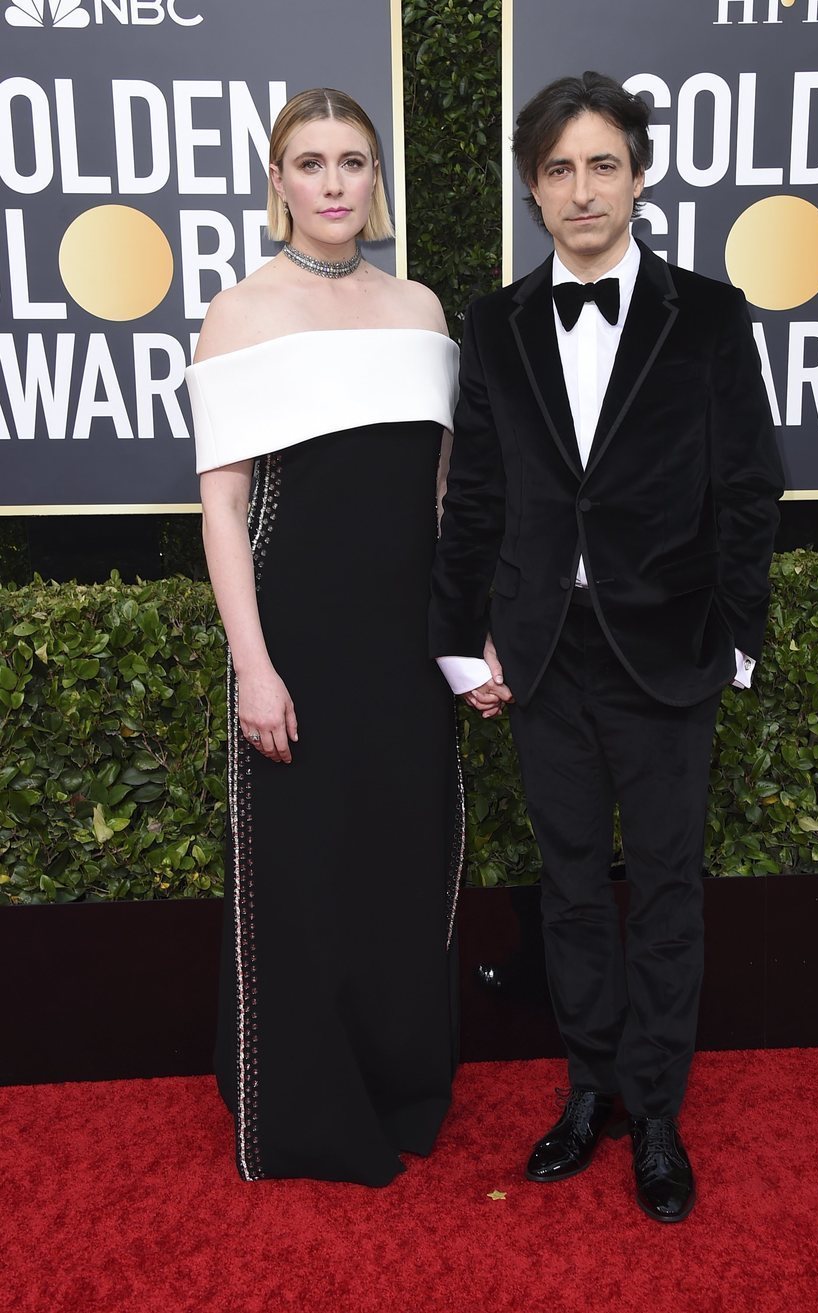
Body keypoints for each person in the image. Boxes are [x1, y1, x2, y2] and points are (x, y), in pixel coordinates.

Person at [430, 72, 784, 1222]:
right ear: (531, 190)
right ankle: (589, 1089)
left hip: (671, 644)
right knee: (572, 888)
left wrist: (736, 632)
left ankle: (658, 1111)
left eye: (601, 165)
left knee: (667, 888)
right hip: (542, 652)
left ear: (637, 175)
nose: (580, 190)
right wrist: (456, 640)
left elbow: (745, 484)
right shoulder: (494, 324)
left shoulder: (709, 314)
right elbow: (473, 495)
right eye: (556, 169)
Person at [185, 88, 462, 1186]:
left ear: (373, 177)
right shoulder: (239, 311)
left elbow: (441, 497)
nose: (335, 182)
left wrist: (461, 633)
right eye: (311, 162)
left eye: (352, 160)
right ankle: (304, 1105)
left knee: (402, 859)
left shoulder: (422, 307)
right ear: (279, 182)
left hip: (404, 639)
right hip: (296, 633)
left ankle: (398, 1081)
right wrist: (253, 665)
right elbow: (220, 505)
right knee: (302, 870)